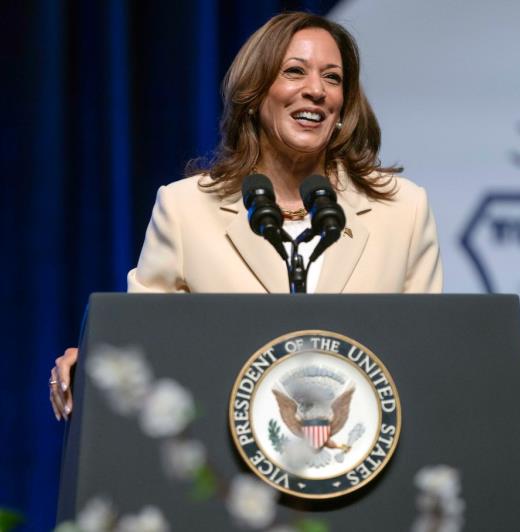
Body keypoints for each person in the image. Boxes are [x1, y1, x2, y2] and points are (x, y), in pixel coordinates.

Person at [49, 12, 442, 421]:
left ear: (345, 104)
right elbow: (145, 342)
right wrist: (92, 362)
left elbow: (427, 357)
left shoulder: (403, 211)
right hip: (229, 464)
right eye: (294, 71)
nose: (316, 91)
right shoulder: (185, 210)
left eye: (332, 78)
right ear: (254, 95)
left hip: (363, 450)